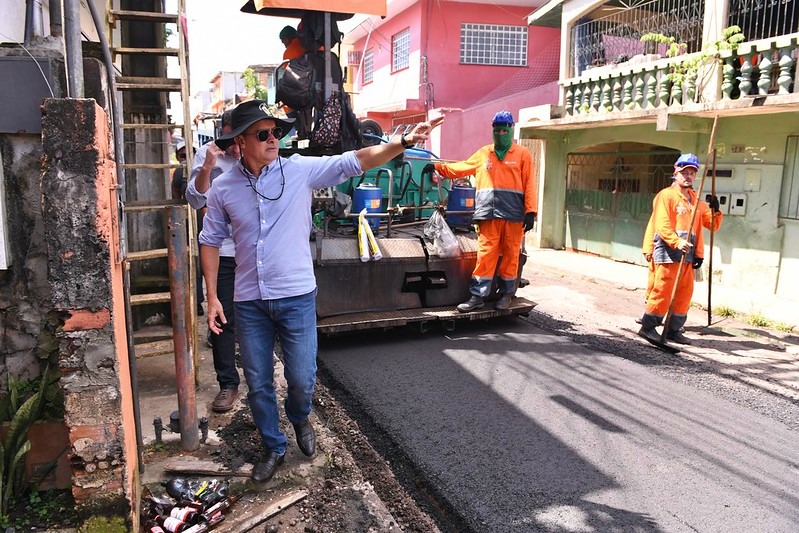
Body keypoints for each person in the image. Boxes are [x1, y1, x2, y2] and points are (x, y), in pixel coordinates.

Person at [199, 99, 443, 482]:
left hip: (296, 296)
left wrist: (401, 143)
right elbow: (210, 240)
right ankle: (274, 446)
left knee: (302, 377)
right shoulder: (223, 189)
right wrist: (212, 296)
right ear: (240, 143)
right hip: (249, 301)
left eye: (275, 132)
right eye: (262, 134)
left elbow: (355, 161)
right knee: (258, 381)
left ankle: (299, 418)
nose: (272, 139)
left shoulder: (299, 171)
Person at [432, 110, 537, 313]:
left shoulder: (522, 155)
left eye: (504, 130)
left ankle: (507, 294)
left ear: (511, 130)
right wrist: (438, 167)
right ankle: (477, 296)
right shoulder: (484, 154)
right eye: (496, 130)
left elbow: (529, 184)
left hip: (514, 216)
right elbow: (462, 167)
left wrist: (530, 212)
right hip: (488, 214)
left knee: (510, 255)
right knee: (485, 255)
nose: (500, 134)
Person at [185, 110, 242, 413]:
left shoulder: (255, 152)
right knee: (222, 317)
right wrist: (208, 167)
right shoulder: (208, 155)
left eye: (239, 140)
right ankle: (228, 384)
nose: (235, 148)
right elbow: (195, 199)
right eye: (230, 140)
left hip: (253, 249)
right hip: (222, 249)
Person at [638, 153, 722, 345]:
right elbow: (662, 223)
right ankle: (648, 327)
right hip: (669, 251)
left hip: (688, 254)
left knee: (684, 293)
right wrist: (676, 241)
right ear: (676, 172)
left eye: (692, 172)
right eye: (684, 172)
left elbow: (712, 224)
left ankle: (673, 330)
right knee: (663, 290)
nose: (688, 176)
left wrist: (716, 210)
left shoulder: (696, 201)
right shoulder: (666, 196)